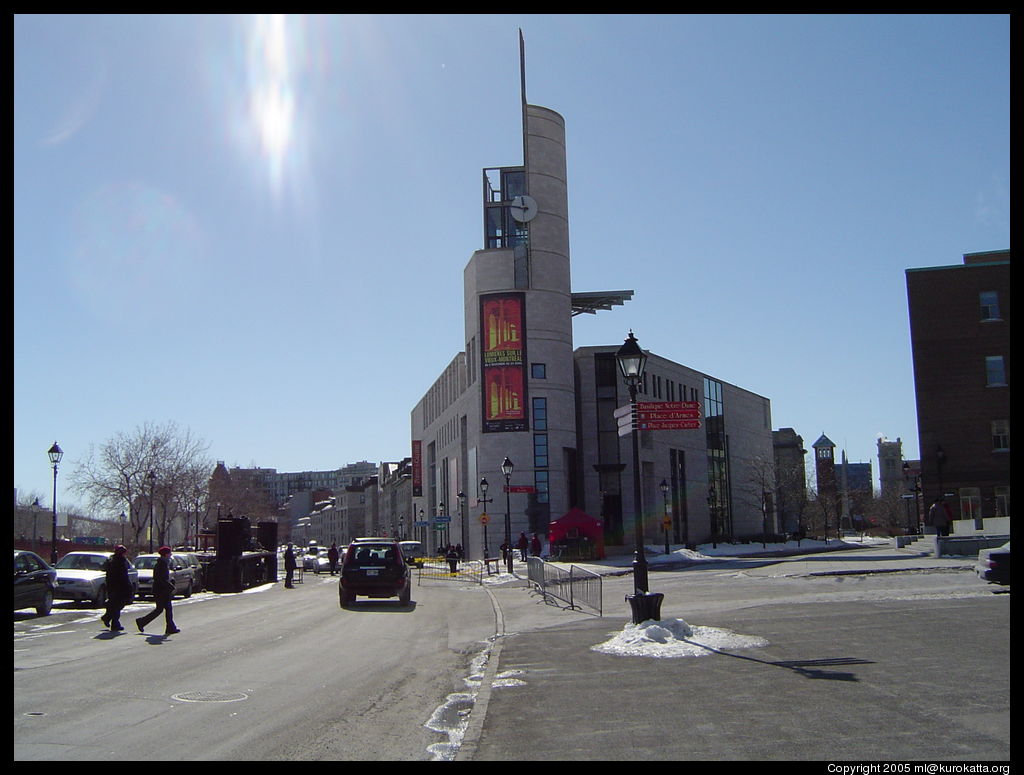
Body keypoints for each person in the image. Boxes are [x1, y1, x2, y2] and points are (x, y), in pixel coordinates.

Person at [136, 546, 179, 635]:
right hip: (160, 590)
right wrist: (170, 586)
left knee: (167, 609)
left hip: (162, 589)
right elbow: (161, 579)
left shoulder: (163, 563)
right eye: (169, 553)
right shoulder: (161, 565)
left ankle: (170, 627)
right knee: (160, 609)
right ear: (166, 554)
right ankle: (142, 621)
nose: (170, 554)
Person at [101, 545, 133, 632]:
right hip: (119, 587)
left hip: (112, 586)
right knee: (118, 605)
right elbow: (123, 576)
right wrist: (128, 586)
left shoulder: (111, 560)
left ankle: (108, 618)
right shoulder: (120, 562)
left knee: (115, 605)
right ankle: (113, 622)